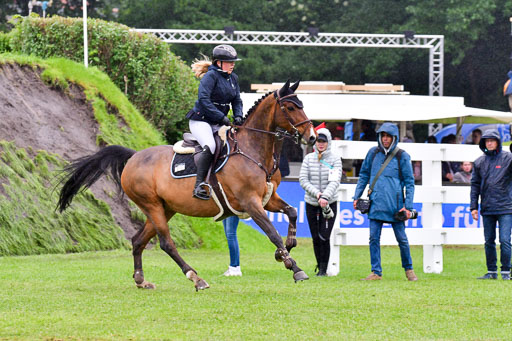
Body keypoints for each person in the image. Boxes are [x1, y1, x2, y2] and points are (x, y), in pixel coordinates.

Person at [353, 122, 418, 281]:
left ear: (394, 137)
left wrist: (408, 207)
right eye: (383, 135)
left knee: (402, 239)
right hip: (375, 203)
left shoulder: (403, 156)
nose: (385, 139)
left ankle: (409, 270)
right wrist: (356, 196)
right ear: (379, 136)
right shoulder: (372, 153)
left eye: (388, 136)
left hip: (395, 206)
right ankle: (376, 272)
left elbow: (410, 183)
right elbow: (363, 175)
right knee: (373, 238)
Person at [187, 45, 244, 200]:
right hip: (201, 121)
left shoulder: (233, 78)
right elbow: (204, 101)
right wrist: (221, 117)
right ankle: (199, 185)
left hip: (219, 122)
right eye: (228, 62)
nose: (232, 64)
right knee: (211, 146)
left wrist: (238, 115)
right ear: (218, 62)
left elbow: (237, 100)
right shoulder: (210, 77)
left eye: (233, 62)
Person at [299, 128, 342, 276]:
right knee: (315, 237)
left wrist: (325, 197)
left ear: (328, 142)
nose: (321, 144)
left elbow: (335, 180)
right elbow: (303, 180)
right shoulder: (308, 158)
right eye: (319, 141)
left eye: (323, 141)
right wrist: (317, 194)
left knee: (325, 236)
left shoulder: (335, 159)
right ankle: (319, 266)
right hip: (311, 201)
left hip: (330, 202)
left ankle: (324, 269)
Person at [470, 129, 512, 280]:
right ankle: (492, 271)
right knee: (489, 241)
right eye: (486, 141)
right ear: (483, 143)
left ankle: (506, 271)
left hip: (506, 207)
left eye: (492, 140)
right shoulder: (479, 162)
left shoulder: (509, 158)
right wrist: (473, 207)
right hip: (487, 207)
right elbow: (474, 185)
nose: (489, 143)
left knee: (505, 240)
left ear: (498, 142)